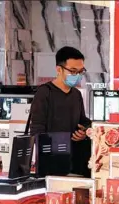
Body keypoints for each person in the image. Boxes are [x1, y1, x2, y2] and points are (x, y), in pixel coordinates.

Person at [28, 46, 92, 177]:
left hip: (75, 163)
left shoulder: (76, 94)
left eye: (81, 71)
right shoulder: (44, 92)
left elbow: (82, 121)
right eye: (73, 71)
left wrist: (85, 131)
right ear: (59, 69)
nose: (78, 76)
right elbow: (36, 131)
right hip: (51, 163)